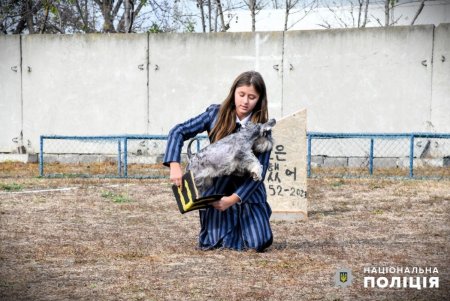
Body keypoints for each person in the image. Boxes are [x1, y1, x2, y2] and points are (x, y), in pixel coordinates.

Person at [163, 71, 273, 252]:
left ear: (260, 99)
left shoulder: (262, 130)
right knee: (214, 243)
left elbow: (260, 173)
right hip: (217, 188)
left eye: (252, 97)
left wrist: (232, 200)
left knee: (258, 243)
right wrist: (174, 165)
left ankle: (253, 218)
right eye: (241, 94)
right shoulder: (215, 114)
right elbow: (178, 131)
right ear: (234, 93)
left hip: (247, 192)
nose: (245, 101)